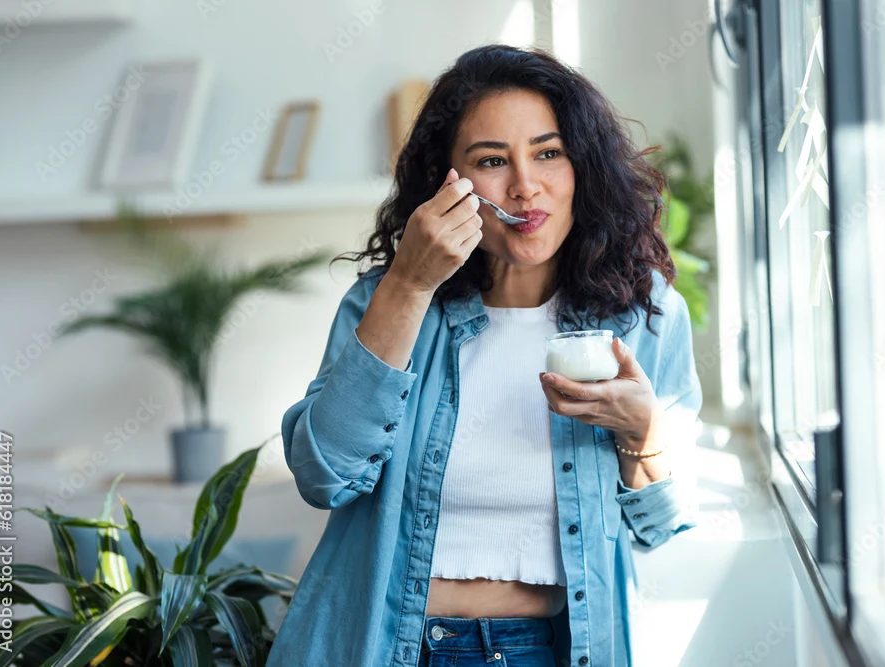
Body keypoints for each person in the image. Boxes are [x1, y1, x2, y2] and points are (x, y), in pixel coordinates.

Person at [268, 44, 702, 667]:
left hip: (550, 650)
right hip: (389, 646)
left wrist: (642, 432)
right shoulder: (387, 300)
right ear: (449, 183)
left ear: (584, 166)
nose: (526, 187)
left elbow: (660, 524)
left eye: (548, 153)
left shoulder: (640, 315)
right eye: (492, 161)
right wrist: (410, 285)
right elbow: (324, 474)